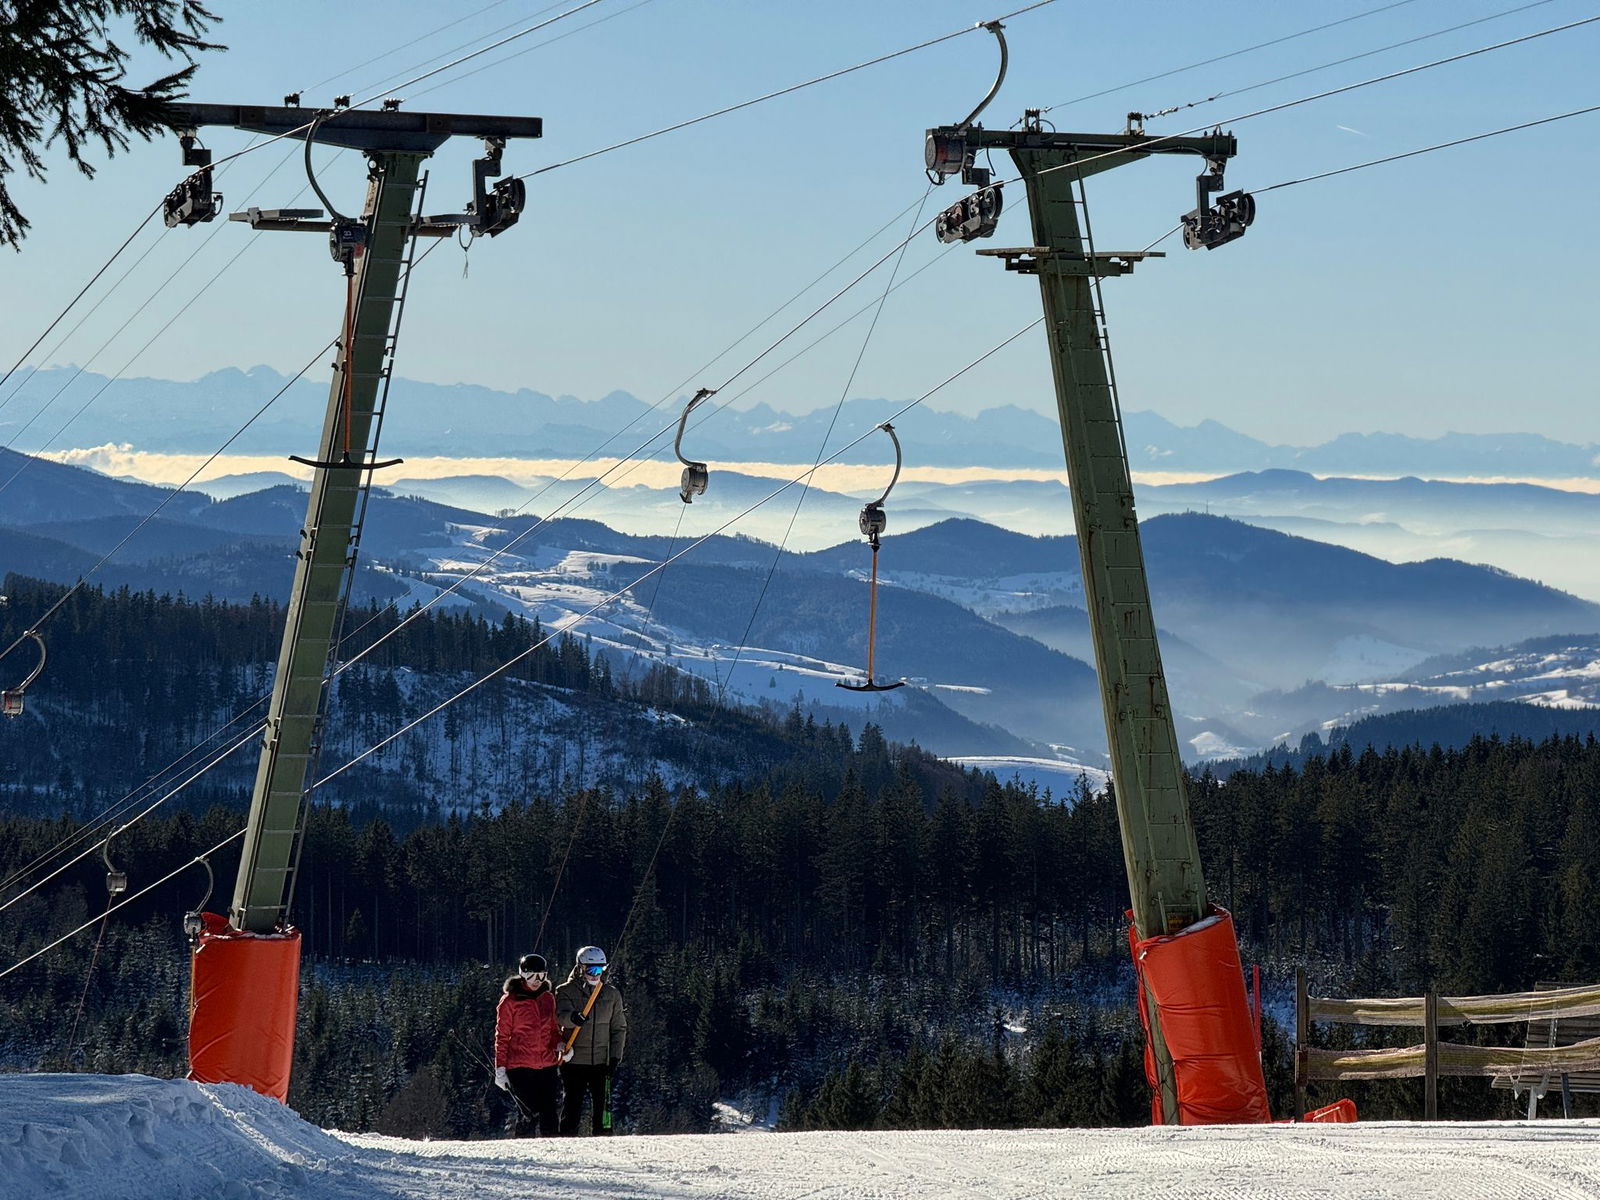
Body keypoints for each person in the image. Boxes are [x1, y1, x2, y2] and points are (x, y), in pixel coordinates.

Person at [554, 944, 627, 1135]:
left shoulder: (611, 994)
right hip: (574, 1062)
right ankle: (566, 1146)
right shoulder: (566, 991)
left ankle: (604, 1145)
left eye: (601, 969)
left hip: (601, 1063)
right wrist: (572, 1018)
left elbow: (618, 1028)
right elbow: (559, 1016)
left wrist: (614, 1059)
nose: (596, 974)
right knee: (572, 1108)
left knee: (603, 1112)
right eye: (591, 969)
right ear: (580, 968)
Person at [494, 952, 564, 1136]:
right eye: (531, 975)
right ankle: (525, 1154)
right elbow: (502, 1037)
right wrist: (500, 1068)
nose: (536, 980)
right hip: (520, 1066)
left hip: (547, 1064)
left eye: (541, 976)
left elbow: (553, 1030)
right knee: (528, 1113)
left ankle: (555, 1153)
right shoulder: (510, 1001)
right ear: (522, 974)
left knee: (550, 1112)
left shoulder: (548, 998)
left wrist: (559, 1044)